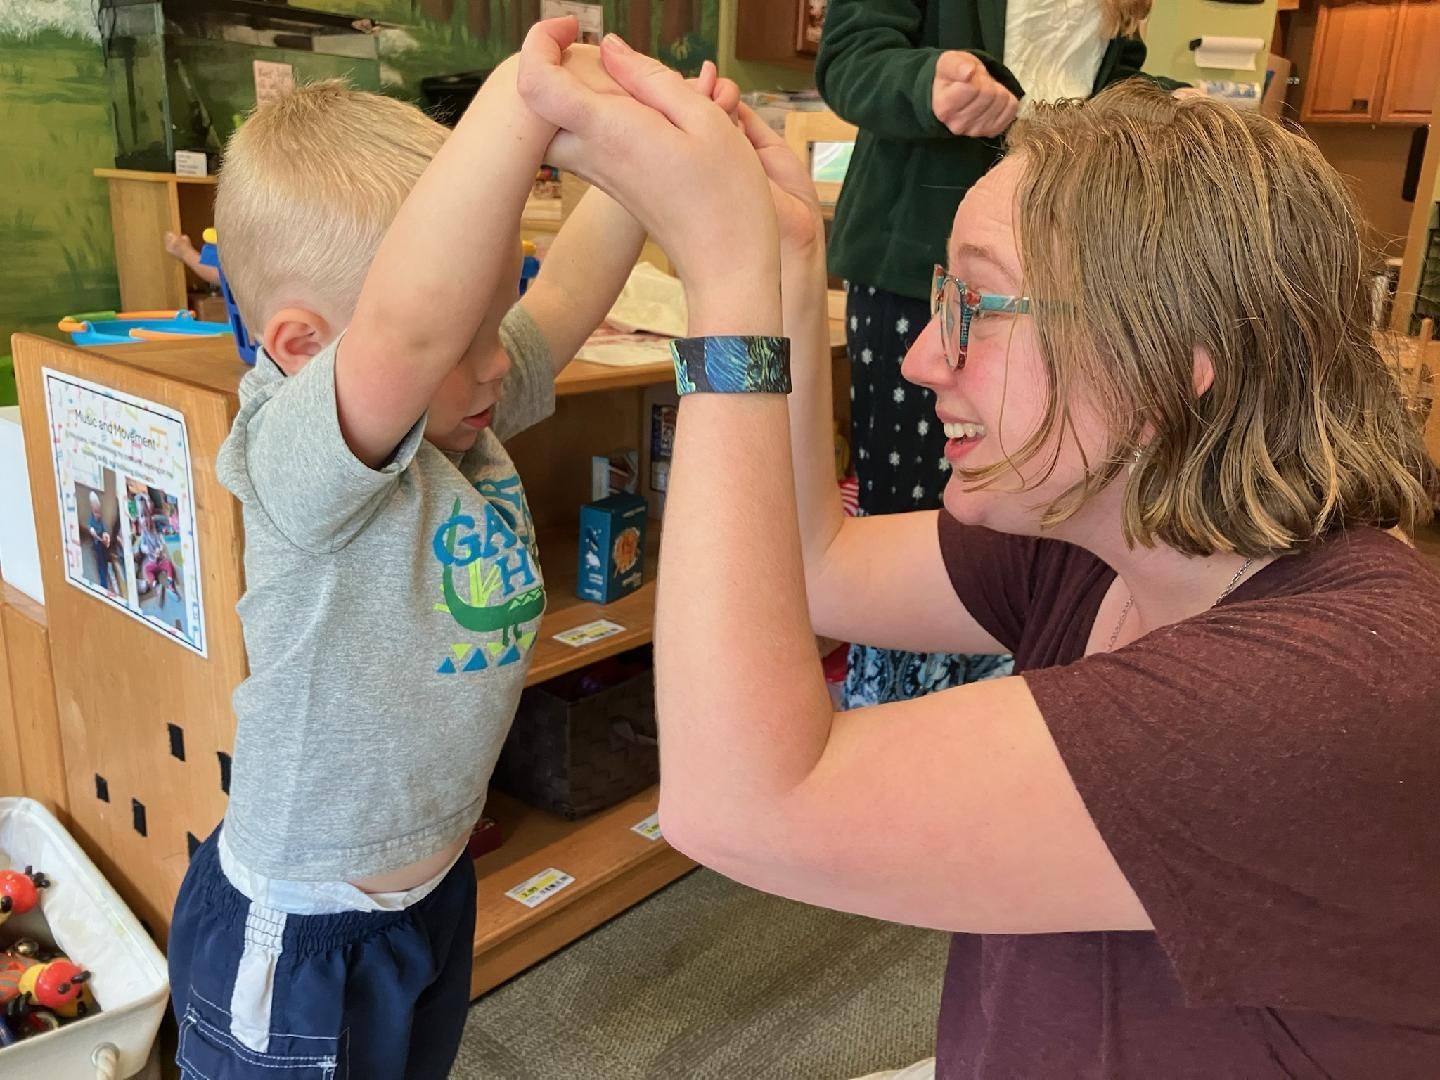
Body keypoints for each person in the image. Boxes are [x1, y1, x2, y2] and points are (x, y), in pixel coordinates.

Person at [520, 39, 1440, 1077]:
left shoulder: (1328, 689)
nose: (922, 357)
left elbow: (742, 806)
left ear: (1176, 365)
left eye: (980, 308)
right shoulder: (1105, 536)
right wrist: (782, 262)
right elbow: (816, 563)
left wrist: (723, 300)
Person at [164, 25, 738, 1078]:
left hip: (426, 897)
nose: (495, 360)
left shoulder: (457, 407)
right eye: (467, 332)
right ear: (302, 346)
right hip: (304, 938)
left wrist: (648, 145)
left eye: (492, 323)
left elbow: (562, 298)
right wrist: (523, 108)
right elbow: (410, 332)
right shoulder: (297, 447)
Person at [816, 0, 1165, 708]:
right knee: (928, 508)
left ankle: (1027, 689)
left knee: (1051, 492)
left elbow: (1099, 90)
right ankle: (907, 704)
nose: (929, 364)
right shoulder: (936, 330)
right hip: (917, 270)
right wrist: (928, 81)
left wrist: (1156, 104)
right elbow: (850, 59)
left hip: (1059, 277)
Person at [83, 491, 112, 594]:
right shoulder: (91, 520)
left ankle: (107, 567)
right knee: (100, 562)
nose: (98, 515)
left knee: (105, 557)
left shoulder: (101, 520)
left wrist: (106, 535)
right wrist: (93, 532)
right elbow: (90, 529)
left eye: (99, 512)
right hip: (97, 543)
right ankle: (103, 583)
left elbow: (104, 529)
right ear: (92, 510)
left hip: (103, 542)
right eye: (96, 512)